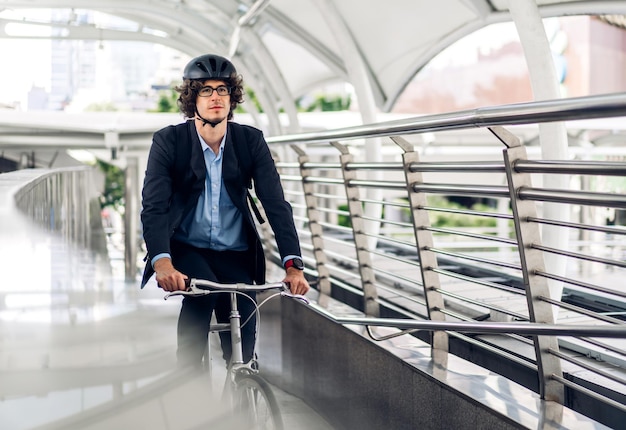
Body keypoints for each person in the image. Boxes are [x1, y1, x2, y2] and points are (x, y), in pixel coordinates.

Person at [140, 53, 309, 368]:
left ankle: (244, 387)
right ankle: (188, 384)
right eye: (206, 90)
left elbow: (276, 205)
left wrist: (294, 265)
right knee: (200, 299)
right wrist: (162, 263)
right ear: (193, 99)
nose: (215, 96)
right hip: (188, 249)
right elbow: (154, 207)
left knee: (243, 346)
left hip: (237, 253)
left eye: (222, 89)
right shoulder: (170, 141)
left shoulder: (250, 141)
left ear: (232, 97)